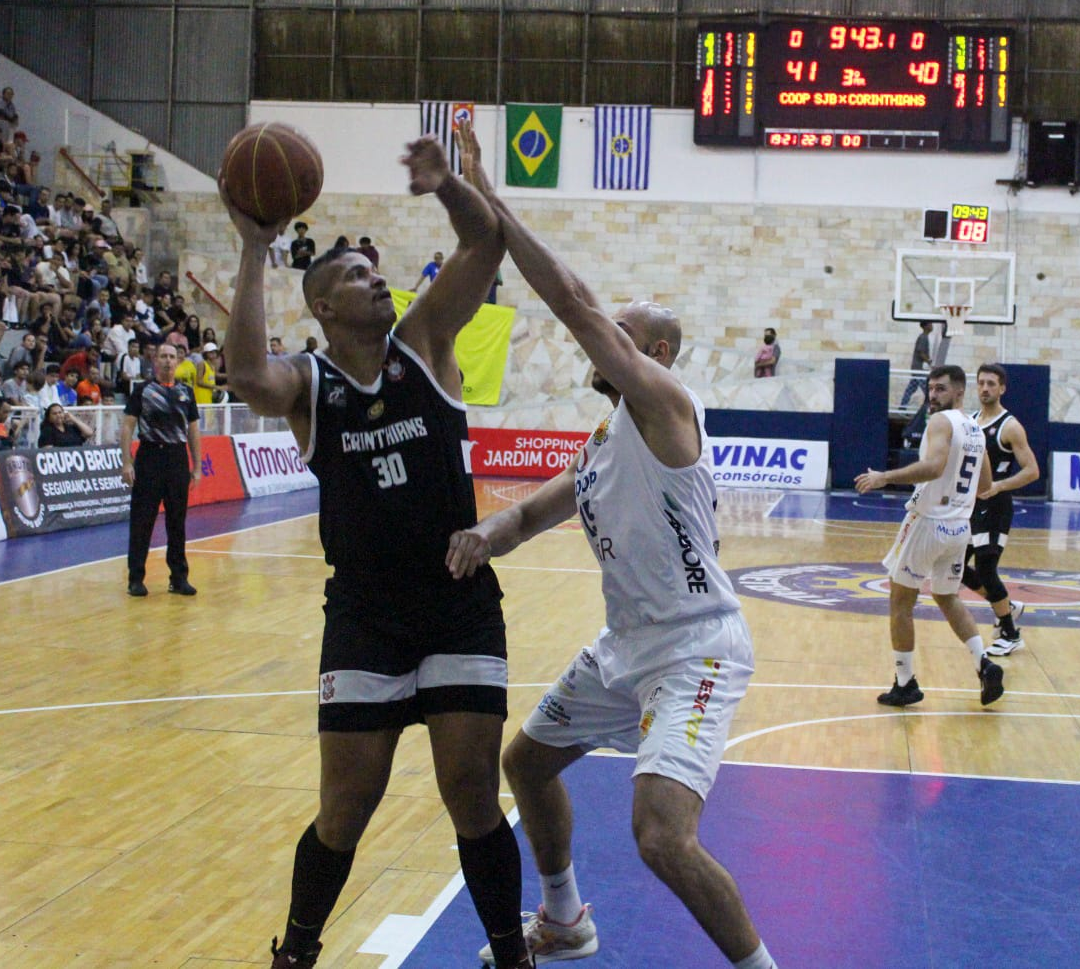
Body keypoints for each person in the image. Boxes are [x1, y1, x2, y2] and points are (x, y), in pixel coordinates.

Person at [445, 119, 777, 969]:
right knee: (526, 764)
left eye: (620, 329)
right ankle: (565, 923)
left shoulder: (666, 404)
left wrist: (489, 196)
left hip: (694, 649)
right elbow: (525, 516)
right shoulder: (600, 446)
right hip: (625, 648)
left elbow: (571, 300)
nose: (600, 335)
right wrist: (482, 535)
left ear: (652, 351)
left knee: (663, 838)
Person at [218, 135, 532, 969]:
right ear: (322, 306)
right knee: (345, 808)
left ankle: (511, 952)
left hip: (456, 599)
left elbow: (485, 242)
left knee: (470, 791)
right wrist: (254, 247)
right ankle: (298, 949)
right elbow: (245, 371)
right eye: (355, 275)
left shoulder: (426, 342)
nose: (374, 278)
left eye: (373, 269)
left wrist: (448, 187)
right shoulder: (308, 382)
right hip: (364, 613)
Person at [856, 364, 1006, 709]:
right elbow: (984, 486)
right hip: (959, 528)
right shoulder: (976, 429)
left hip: (929, 523)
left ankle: (905, 682)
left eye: (940, 389)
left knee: (900, 602)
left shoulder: (942, 422)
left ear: (958, 392)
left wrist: (884, 477)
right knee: (947, 597)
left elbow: (935, 466)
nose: (932, 395)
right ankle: (983, 663)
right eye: (930, 388)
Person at [961, 363, 1041, 657]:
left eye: (991, 383)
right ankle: (1007, 606)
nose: (985, 388)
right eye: (981, 383)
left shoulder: (1010, 426)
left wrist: (998, 486)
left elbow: (1032, 471)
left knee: (985, 568)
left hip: (995, 506)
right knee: (954, 568)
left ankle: (1010, 632)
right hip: (969, 507)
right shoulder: (969, 420)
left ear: (1002, 388)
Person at [119, 343, 202, 599]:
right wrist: (126, 462)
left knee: (177, 522)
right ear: (155, 361)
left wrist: (197, 466)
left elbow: (193, 431)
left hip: (177, 459)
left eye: (172, 357)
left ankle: (179, 578)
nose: (167, 361)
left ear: (178, 361)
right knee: (142, 521)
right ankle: (136, 578)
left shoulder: (186, 392)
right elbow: (127, 427)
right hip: (149, 457)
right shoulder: (143, 391)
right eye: (163, 357)